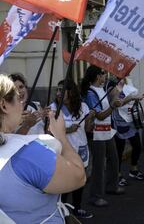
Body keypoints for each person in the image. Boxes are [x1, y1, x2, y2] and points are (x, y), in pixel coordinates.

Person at [0, 74, 86, 223]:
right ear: (4, 105)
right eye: (18, 98)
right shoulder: (27, 153)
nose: (22, 103)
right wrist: (61, 137)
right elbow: (79, 177)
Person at [51, 79, 95, 219]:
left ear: (71, 92)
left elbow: (88, 129)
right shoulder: (53, 108)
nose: (58, 93)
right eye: (57, 90)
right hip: (62, 149)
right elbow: (50, 131)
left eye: (62, 90)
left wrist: (90, 120)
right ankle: (62, 210)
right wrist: (69, 130)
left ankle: (77, 208)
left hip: (80, 148)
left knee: (79, 179)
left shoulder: (83, 107)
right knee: (64, 181)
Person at [81, 66, 123, 207]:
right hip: (96, 133)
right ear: (98, 76)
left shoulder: (102, 89)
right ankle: (95, 196)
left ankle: (112, 186)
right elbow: (99, 114)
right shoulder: (90, 93)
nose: (106, 76)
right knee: (99, 165)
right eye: (103, 73)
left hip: (106, 131)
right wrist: (112, 106)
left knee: (114, 158)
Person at [107, 77, 144, 186]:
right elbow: (117, 103)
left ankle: (134, 169)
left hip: (130, 118)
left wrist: (136, 98)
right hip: (118, 120)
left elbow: (133, 97)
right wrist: (132, 97)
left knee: (137, 145)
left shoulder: (129, 81)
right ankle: (117, 174)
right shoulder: (111, 86)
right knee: (119, 148)